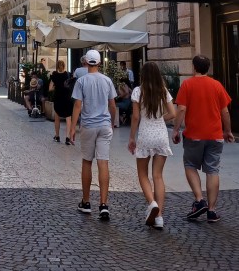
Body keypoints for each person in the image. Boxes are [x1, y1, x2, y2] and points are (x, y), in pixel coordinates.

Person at [171, 55, 235, 224]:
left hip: (194, 135)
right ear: (208, 68)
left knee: (190, 165)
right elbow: (225, 111)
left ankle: (200, 200)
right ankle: (212, 211)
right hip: (215, 135)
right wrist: (228, 131)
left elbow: (181, 109)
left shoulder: (187, 84)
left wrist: (176, 130)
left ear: (194, 67)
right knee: (213, 170)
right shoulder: (217, 85)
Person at [70, 49, 117, 221]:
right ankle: (104, 205)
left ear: (85, 63)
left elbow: (77, 106)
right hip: (104, 125)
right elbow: (112, 104)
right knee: (103, 162)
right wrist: (112, 122)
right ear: (99, 63)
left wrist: (72, 128)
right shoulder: (107, 80)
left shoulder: (81, 81)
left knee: (87, 161)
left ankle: (86, 201)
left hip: (88, 125)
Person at [128, 62, 176, 228]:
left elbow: (136, 117)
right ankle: (159, 217)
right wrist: (160, 118)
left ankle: (152, 203)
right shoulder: (163, 91)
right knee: (158, 176)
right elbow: (173, 113)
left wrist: (131, 138)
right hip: (161, 135)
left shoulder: (138, 91)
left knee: (142, 174)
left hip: (145, 135)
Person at [49, 60, 74, 144]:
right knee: (68, 117)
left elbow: (50, 89)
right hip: (67, 98)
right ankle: (67, 137)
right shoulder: (68, 75)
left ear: (57, 66)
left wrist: (56, 87)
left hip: (58, 98)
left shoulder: (54, 75)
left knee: (57, 117)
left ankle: (57, 136)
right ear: (64, 66)